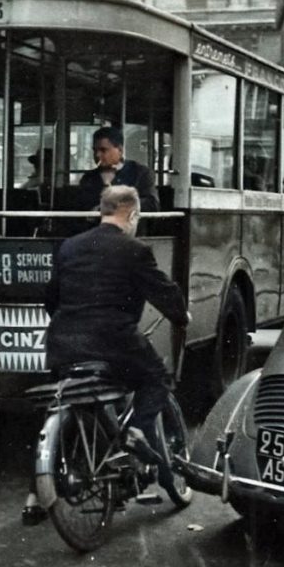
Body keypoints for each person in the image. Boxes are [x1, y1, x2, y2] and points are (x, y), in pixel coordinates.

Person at [43, 184, 189, 489]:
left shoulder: (69, 246)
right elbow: (165, 293)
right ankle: (137, 429)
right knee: (157, 377)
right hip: (114, 342)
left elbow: (50, 300)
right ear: (133, 214)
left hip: (63, 343)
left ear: (102, 210)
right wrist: (180, 315)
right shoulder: (134, 250)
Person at [77, 127, 159, 212]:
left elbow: (152, 204)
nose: (97, 155)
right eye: (95, 150)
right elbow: (81, 207)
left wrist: (116, 206)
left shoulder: (140, 173)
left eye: (103, 150)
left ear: (120, 150)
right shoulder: (88, 178)